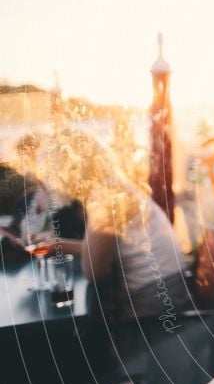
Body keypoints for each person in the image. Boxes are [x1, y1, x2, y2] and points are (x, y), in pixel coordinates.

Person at [37, 128, 189, 321]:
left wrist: (59, 244)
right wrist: (59, 244)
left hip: (153, 307)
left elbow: (94, 271)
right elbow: (102, 252)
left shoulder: (107, 199)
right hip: (167, 291)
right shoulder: (112, 187)